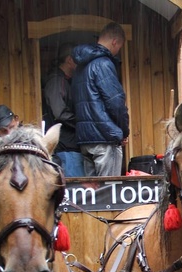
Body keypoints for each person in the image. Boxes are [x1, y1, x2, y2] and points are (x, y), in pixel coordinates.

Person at [72, 22, 130, 176]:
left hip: (86, 141)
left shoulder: (80, 67)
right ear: (114, 42)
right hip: (105, 139)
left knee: (93, 196)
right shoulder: (103, 64)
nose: (117, 52)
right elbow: (116, 103)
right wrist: (123, 131)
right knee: (108, 193)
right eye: (119, 47)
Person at [43, 43, 84, 177]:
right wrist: (81, 123)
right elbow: (59, 113)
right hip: (65, 148)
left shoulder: (65, 81)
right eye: (78, 59)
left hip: (70, 146)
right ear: (69, 60)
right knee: (75, 191)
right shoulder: (56, 80)